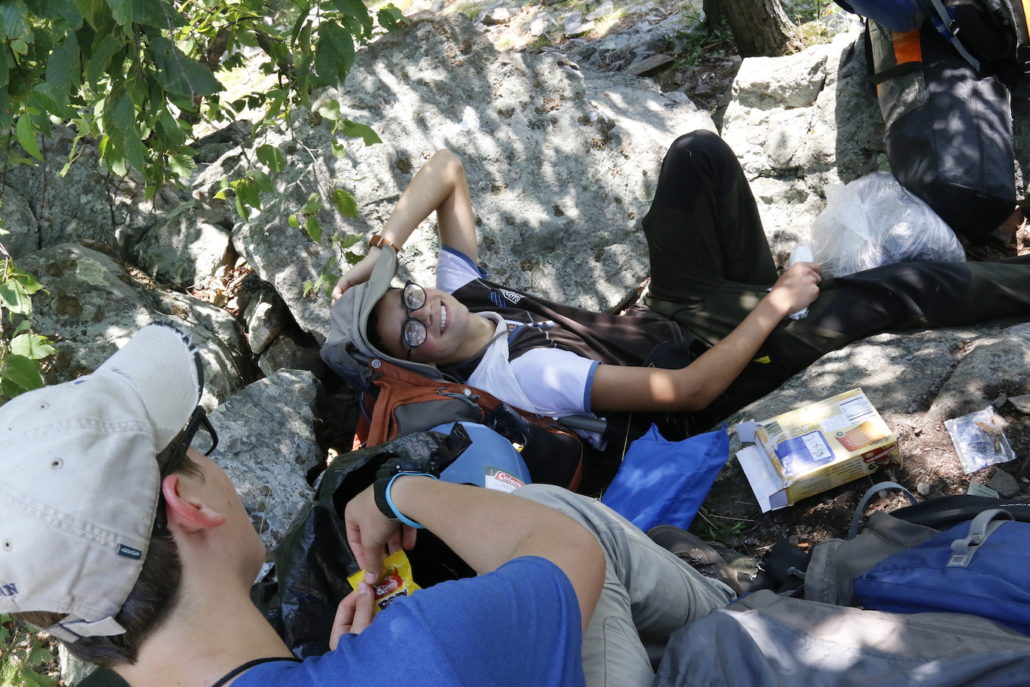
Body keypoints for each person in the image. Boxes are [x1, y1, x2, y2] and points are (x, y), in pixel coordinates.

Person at [0, 323, 734, 687]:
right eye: (198, 442)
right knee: (560, 511)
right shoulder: (423, 647)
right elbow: (564, 554)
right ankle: (735, 612)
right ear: (187, 501)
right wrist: (397, 492)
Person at [325, 131, 1030, 433]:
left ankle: (756, 295)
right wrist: (776, 305)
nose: (425, 314)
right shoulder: (525, 375)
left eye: (409, 297)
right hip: (708, 370)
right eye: (408, 334)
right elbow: (686, 392)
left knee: (697, 156)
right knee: (898, 291)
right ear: (419, 363)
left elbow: (446, 167)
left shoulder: (461, 295)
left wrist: (384, 245)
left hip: (668, 314)